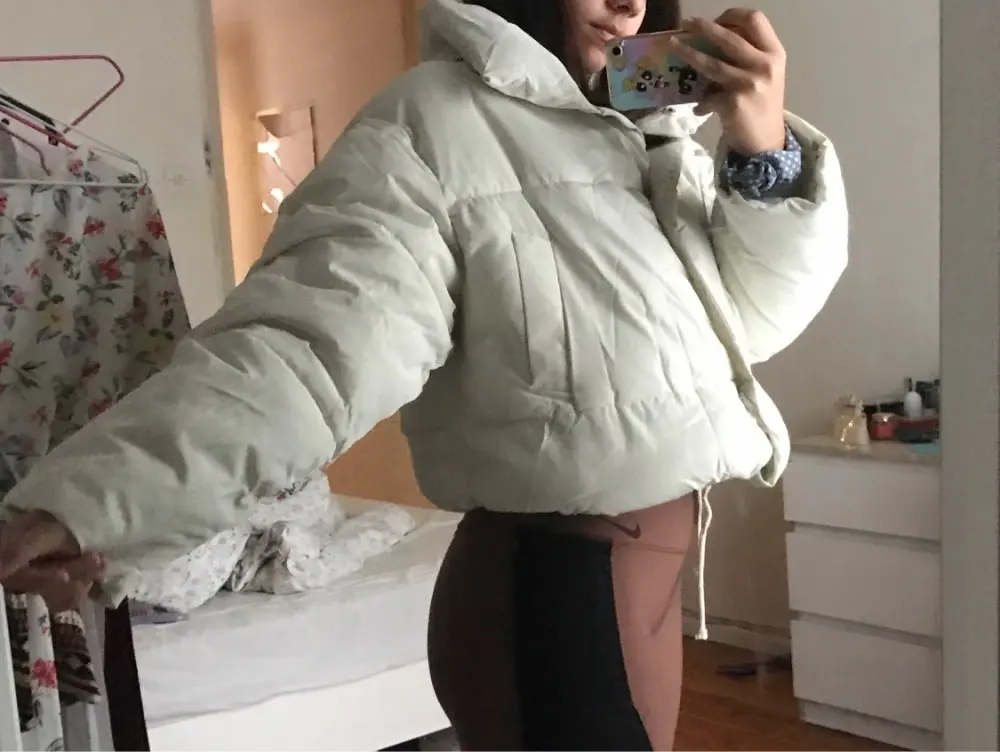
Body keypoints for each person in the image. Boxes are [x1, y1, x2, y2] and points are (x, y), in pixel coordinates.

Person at [0, 0, 848, 748]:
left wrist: (760, 147)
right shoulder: (430, 124)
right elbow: (306, 352)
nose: (626, 4)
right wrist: (90, 501)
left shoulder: (642, 135)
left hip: (644, 588)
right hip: (557, 595)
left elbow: (752, 321)